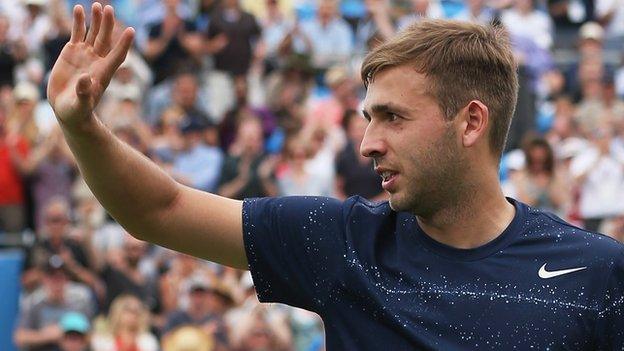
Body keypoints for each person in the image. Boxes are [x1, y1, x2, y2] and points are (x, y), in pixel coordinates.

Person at [47, 4, 624, 350]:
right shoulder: (342, 242)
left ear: (471, 122)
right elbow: (159, 211)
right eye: (367, 119)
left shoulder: (598, 272)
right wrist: (83, 128)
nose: (369, 144)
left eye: (393, 118)